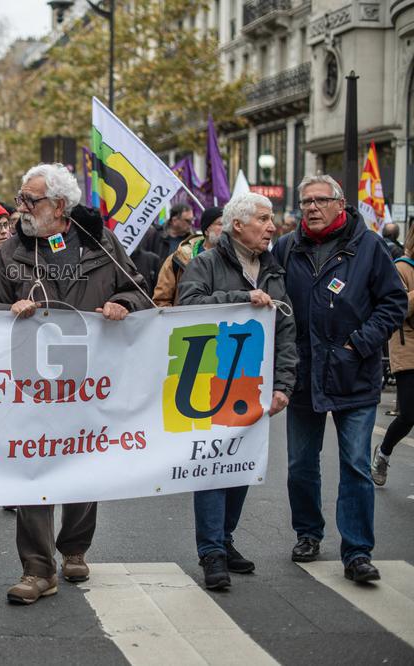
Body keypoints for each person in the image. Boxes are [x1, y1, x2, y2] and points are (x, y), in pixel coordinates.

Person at [0, 163, 152, 605]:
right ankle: (37, 570)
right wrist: (9, 308)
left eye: (28, 200)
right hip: (30, 381)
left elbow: (139, 291)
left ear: (59, 205)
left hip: (90, 378)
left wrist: (120, 303)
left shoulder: (100, 242)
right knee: (33, 467)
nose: (20, 208)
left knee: (83, 462)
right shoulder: (13, 249)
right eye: (20, 199)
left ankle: (75, 546)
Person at [273, 174, 406, 583]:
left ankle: (358, 552)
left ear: (341, 203)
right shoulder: (285, 247)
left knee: (355, 465)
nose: (311, 208)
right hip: (302, 375)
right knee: (300, 465)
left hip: (354, 375)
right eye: (305, 201)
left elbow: (393, 302)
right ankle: (308, 534)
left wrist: (359, 344)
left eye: (320, 200)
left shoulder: (368, 246)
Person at [177, 193, 296, 590]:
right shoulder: (205, 263)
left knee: (241, 463)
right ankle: (210, 552)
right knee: (212, 467)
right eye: (263, 219)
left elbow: (286, 330)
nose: (271, 226)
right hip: (210, 381)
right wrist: (241, 298)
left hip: (253, 382)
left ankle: (225, 539)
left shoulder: (274, 269)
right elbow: (187, 306)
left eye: (271, 219)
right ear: (238, 225)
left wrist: (282, 384)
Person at [372, 229, 414, 486]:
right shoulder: (401, 266)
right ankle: (383, 454)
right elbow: (397, 306)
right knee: (409, 414)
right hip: (407, 346)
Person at [153, 206, 223, 307]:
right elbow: (161, 300)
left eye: (229, 224)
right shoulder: (178, 258)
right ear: (207, 230)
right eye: (220, 224)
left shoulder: (237, 257)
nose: (226, 228)